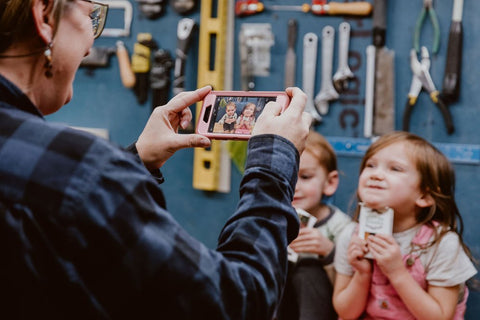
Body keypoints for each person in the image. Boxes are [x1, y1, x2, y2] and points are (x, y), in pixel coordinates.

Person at [0, 0, 313, 319]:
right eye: (91, 15)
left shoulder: (70, 174)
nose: (91, 41)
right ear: (44, 16)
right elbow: (237, 303)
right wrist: (273, 165)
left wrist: (135, 162)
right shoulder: (83, 170)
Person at [333, 131, 477, 320]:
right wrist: (362, 273)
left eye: (395, 169)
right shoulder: (351, 235)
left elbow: (440, 317)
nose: (376, 174)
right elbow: (345, 313)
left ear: (424, 196)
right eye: (371, 165)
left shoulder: (441, 244)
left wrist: (396, 272)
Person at [275, 130, 351, 320]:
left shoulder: (342, 227)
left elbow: (351, 288)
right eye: (286, 176)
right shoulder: (269, 219)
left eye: (305, 177)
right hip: (279, 305)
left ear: (330, 182)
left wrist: (329, 252)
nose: (294, 186)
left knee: (308, 270)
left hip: (322, 307)